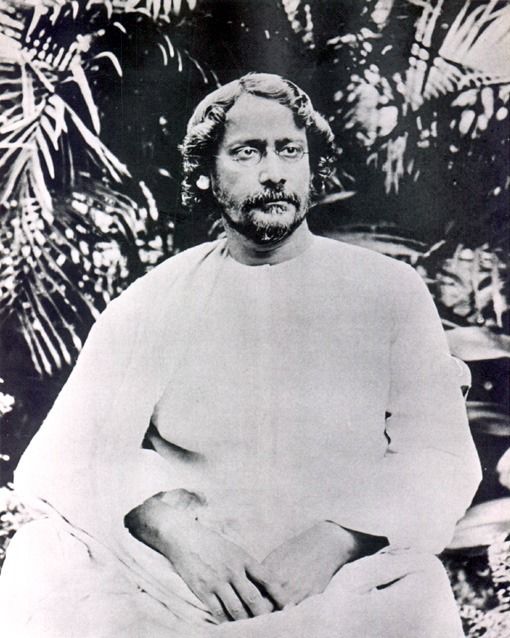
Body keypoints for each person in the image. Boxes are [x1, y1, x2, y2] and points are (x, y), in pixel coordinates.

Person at [0, 73, 481, 637]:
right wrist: (176, 534)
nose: (273, 172)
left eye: (289, 150)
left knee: (413, 600)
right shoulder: (154, 300)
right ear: (206, 172)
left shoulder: (389, 291)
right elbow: (67, 455)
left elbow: (439, 457)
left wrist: (337, 539)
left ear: (312, 167)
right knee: (42, 560)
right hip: (181, 588)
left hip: (344, 580)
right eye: (247, 152)